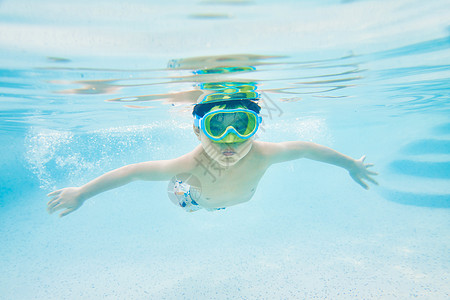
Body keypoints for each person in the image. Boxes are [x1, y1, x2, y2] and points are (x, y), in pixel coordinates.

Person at [47, 91, 378, 217]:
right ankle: (190, 203)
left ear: (256, 126)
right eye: (217, 127)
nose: (229, 140)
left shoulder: (264, 153)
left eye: (242, 125)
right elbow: (133, 171)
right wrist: (82, 193)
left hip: (227, 197)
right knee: (180, 194)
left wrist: (350, 164)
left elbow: (307, 148)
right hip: (194, 199)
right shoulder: (188, 163)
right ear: (197, 130)